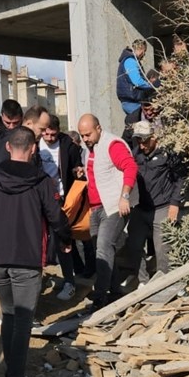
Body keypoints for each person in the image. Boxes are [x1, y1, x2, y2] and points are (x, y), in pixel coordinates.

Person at [0, 127, 71, 377]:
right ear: (34, 149)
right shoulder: (41, 182)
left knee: (9, 315)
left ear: (7, 148)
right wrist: (66, 240)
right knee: (23, 320)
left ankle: (11, 372)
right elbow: (55, 216)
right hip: (26, 260)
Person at [76, 113, 137, 311]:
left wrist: (124, 197)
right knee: (101, 251)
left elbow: (130, 166)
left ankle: (100, 297)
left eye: (88, 134)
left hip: (113, 206)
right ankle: (115, 292)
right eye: (82, 135)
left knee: (103, 247)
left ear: (99, 128)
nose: (85, 139)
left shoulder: (113, 145)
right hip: (96, 208)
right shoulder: (88, 150)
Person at [123, 120, 186, 285]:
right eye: (138, 140)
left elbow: (180, 179)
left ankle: (163, 284)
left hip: (162, 208)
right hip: (140, 207)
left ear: (154, 137)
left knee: (163, 250)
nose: (141, 144)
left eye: (144, 140)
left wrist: (174, 204)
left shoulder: (168, 154)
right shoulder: (136, 154)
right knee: (134, 245)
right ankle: (142, 281)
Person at [39, 115, 86, 300]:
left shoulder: (67, 145)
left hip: (60, 199)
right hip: (38, 199)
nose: (49, 138)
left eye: (53, 134)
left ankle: (69, 281)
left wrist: (77, 172)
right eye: (46, 134)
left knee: (63, 240)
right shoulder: (35, 144)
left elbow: (76, 166)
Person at [0, 105, 50, 171]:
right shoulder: (12, 141)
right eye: (42, 129)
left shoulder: (32, 143)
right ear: (29, 123)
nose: (44, 133)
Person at [116, 39, 155, 125]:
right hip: (132, 101)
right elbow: (137, 81)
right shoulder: (130, 61)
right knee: (143, 125)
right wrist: (152, 87)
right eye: (144, 51)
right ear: (141, 49)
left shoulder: (127, 60)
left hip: (129, 100)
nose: (144, 54)